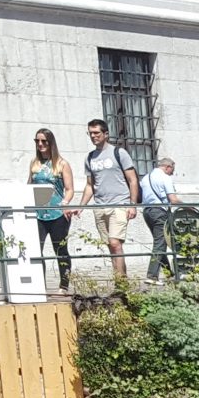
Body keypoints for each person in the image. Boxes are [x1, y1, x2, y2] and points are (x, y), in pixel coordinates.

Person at [73, 118, 139, 286]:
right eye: (91, 133)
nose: (93, 136)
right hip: (100, 205)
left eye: (97, 133)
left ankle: (121, 284)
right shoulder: (90, 157)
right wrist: (81, 206)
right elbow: (90, 185)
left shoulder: (119, 153)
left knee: (115, 243)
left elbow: (132, 180)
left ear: (105, 134)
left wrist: (132, 204)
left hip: (119, 203)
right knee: (110, 246)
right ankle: (121, 280)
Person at [27, 127, 75, 290]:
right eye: (37, 141)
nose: (40, 144)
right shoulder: (34, 163)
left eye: (44, 141)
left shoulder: (62, 164)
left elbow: (69, 189)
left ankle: (64, 285)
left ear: (50, 142)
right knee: (35, 249)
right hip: (38, 213)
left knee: (60, 249)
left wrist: (65, 203)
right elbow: (29, 186)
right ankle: (39, 284)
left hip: (57, 213)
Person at [138, 155, 178, 283]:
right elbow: (173, 199)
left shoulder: (145, 178)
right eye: (172, 170)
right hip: (160, 211)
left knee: (161, 241)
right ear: (167, 167)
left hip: (147, 211)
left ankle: (169, 273)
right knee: (160, 242)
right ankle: (152, 276)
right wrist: (189, 206)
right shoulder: (165, 178)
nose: (172, 174)